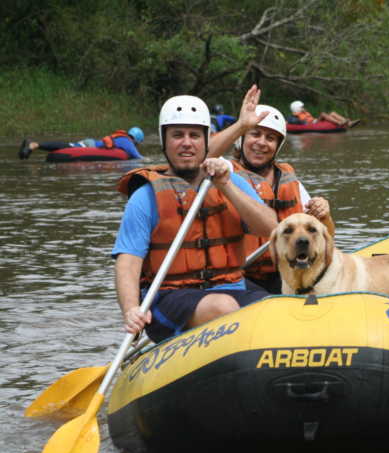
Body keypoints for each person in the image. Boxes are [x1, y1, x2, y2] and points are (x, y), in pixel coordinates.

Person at [113, 94, 278, 343]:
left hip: (232, 288)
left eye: (194, 136)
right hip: (170, 298)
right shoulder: (146, 196)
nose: (186, 143)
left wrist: (226, 188)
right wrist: (130, 310)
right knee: (222, 307)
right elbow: (128, 262)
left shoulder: (230, 181)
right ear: (164, 142)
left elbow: (270, 227)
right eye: (177, 135)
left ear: (206, 142)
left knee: (279, 309)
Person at [208, 87, 334, 293]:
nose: (261, 143)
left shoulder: (289, 180)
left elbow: (325, 238)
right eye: (255, 134)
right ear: (241, 139)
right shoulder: (225, 171)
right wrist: (240, 125)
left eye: (270, 138)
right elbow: (201, 156)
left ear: (277, 146)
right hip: (240, 275)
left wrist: (325, 214)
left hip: (288, 272)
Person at [18, 127, 144, 160]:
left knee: (68, 146)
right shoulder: (128, 142)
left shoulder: (122, 138)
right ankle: (34, 145)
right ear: (136, 140)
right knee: (68, 146)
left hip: (91, 143)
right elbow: (138, 158)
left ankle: (35, 146)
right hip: (90, 146)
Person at [287, 100, 359, 128]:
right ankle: (340, 123)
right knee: (323, 114)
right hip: (311, 124)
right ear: (297, 108)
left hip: (314, 121)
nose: (304, 108)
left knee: (332, 113)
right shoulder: (294, 116)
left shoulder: (304, 112)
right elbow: (291, 121)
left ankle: (349, 123)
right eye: (302, 107)